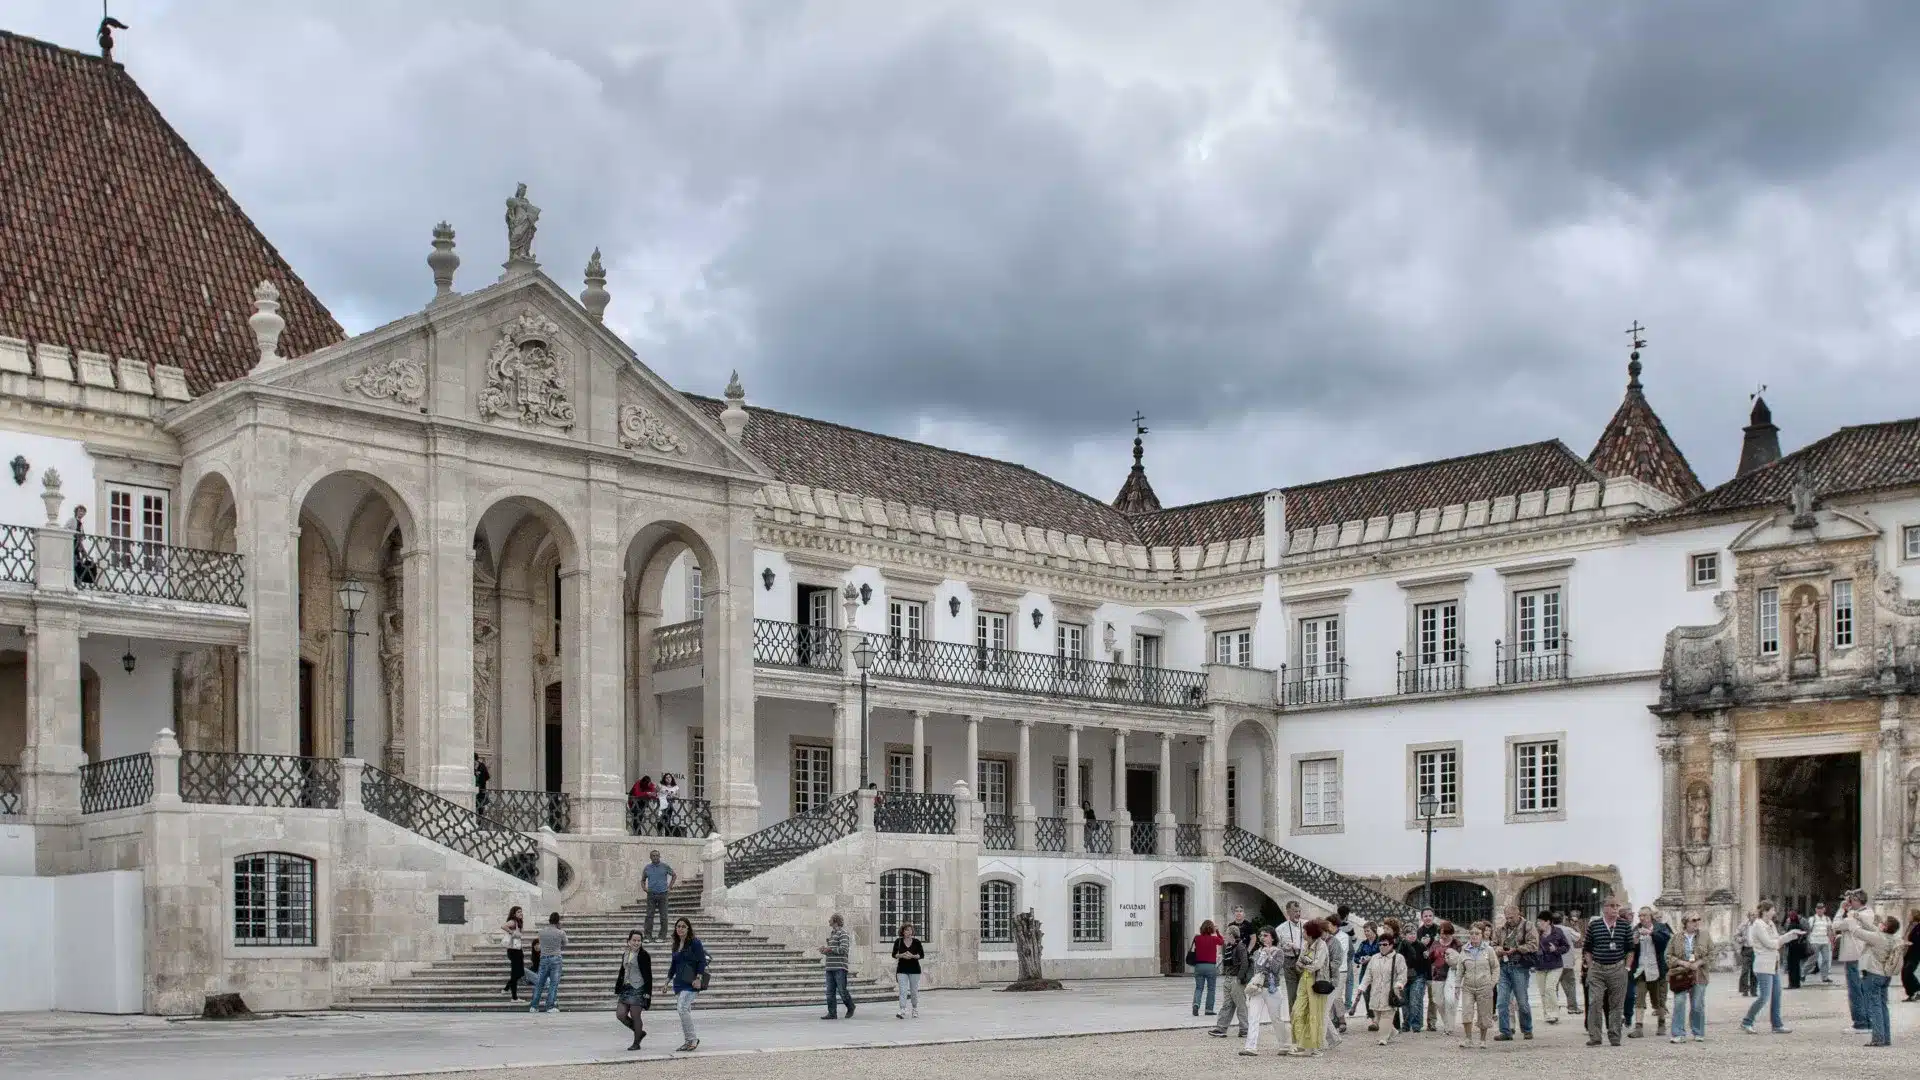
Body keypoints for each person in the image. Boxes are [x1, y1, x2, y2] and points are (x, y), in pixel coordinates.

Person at [1839, 912, 1904, 1047]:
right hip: (1885, 976)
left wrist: (1850, 920)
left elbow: (1857, 932)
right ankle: (1885, 1037)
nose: (1879, 923)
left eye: (1883, 922)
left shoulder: (1877, 938)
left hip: (1873, 975)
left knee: (1874, 1007)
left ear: (1885, 927)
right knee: (1882, 1006)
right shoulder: (1892, 938)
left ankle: (1878, 1038)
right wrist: (1860, 917)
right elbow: (1872, 928)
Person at [1740, 900, 1801, 1035]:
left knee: (1776, 995)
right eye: (1772, 910)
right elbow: (1770, 944)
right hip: (1763, 965)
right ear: (1765, 911)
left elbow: (1777, 939)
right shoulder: (1758, 925)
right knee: (1764, 997)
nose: (1774, 912)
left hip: (1773, 964)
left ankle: (1777, 1024)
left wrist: (1790, 935)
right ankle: (1747, 1021)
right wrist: (1784, 939)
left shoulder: (1771, 923)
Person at [1583, 896, 1635, 1046]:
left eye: (1617, 906)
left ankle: (1614, 1037)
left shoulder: (1624, 926)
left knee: (1617, 1004)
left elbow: (1630, 949)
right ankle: (1595, 1036)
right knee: (1594, 1002)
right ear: (1604, 908)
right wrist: (1591, 967)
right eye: (1612, 906)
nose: (1615, 908)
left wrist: (1626, 968)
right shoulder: (1595, 925)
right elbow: (1587, 949)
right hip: (1598, 968)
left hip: (1618, 968)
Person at [1239, 927, 1290, 1057]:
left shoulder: (1278, 952)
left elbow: (1276, 969)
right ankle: (1250, 1047)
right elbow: (1256, 969)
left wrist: (1269, 955)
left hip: (1272, 988)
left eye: (1266, 935)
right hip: (1258, 987)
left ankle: (1284, 1045)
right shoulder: (1257, 952)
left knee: (1276, 1017)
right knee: (1253, 1017)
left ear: (1272, 937)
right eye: (1261, 935)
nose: (1262, 937)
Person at [1355, 925, 1408, 1045]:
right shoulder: (1374, 958)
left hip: (1390, 992)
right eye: (1380, 944)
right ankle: (1393, 1032)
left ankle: (1383, 1038)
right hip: (1375, 992)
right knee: (1378, 1017)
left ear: (1391, 945)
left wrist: (1399, 984)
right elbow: (1368, 975)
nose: (1382, 947)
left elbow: (1402, 974)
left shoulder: (1398, 958)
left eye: (1385, 944)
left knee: (1387, 1016)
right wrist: (1361, 987)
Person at [1450, 920, 1499, 1049]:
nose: (1474, 936)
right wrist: (1457, 986)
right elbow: (1460, 970)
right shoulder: (1465, 950)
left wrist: (1492, 983)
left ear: (1482, 934)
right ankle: (1468, 1039)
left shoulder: (1489, 950)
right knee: (1466, 1012)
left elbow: (1495, 968)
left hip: (1484, 986)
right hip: (1468, 987)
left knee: (1484, 1014)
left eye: (1477, 933)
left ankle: (1483, 1040)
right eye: (1471, 933)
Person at [1492, 903, 1537, 1041]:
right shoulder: (1501, 928)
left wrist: (1516, 949)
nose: (1509, 920)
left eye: (1511, 917)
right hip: (1504, 967)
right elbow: (1493, 944)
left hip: (1520, 967)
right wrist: (1498, 949)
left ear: (1518, 915)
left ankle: (1527, 1029)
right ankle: (1505, 1031)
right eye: (1507, 917)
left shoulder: (1528, 926)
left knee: (1522, 1001)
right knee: (1502, 1001)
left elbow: (1533, 945)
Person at [1624, 906, 1670, 1038]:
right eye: (1640, 915)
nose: (1641, 918)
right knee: (1639, 998)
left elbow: (1664, 942)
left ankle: (1661, 1024)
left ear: (1651, 916)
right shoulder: (1635, 929)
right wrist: (1634, 943)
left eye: (1644, 915)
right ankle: (1638, 1027)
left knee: (1658, 1000)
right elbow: (1629, 947)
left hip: (1656, 969)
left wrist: (1651, 934)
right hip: (1641, 970)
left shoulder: (1660, 927)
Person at [1665, 912, 1711, 1043]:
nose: (1696, 922)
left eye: (1698, 919)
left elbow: (1712, 953)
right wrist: (1682, 963)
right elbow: (1668, 956)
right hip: (1681, 975)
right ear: (1685, 923)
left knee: (1697, 1004)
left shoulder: (1705, 936)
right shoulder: (1675, 938)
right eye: (1693, 920)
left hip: (1699, 974)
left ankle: (1698, 1031)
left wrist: (1699, 963)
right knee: (1679, 1002)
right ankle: (1678, 1033)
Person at [1288, 919, 1331, 1057]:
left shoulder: (1322, 945)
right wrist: (1305, 964)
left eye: (1305, 931)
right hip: (1304, 981)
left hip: (1316, 982)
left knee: (1315, 1015)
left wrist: (1304, 963)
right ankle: (1301, 1044)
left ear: (1310, 933)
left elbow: (1317, 965)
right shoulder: (1306, 945)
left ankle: (1315, 1047)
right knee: (1297, 1011)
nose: (1303, 933)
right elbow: (1298, 964)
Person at [1836, 889, 1875, 1034]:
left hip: (1853, 956)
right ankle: (1868, 1020)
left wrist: (1841, 910)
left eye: (1851, 900)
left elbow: (1835, 925)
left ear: (1857, 901)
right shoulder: (1869, 913)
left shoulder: (1853, 916)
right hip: (1865, 955)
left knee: (1855, 990)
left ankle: (1860, 1022)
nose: (1849, 903)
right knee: (1865, 989)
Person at [669, 917, 709, 1052]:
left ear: (688, 929)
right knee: (685, 1010)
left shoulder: (695, 943)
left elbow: (702, 961)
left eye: (683, 926)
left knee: (682, 1008)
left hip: (691, 982)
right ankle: (688, 1041)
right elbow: (673, 965)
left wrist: (698, 977)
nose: (680, 929)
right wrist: (667, 981)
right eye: (678, 926)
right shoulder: (675, 944)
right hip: (680, 982)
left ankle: (692, 1039)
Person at [1209, 922, 1253, 1039]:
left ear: (1232, 935)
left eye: (1227, 934)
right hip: (1228, 978)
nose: (1225, 936)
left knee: (1240, 1004)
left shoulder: (1240, 946)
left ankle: (1244, 1029)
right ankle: (1221, 1028)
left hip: (1236, 979)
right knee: (1227, 1004)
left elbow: (1245, 963)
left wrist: (1239, 978)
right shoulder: (1228, 947)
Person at [613, 930, 653, 1051]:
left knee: (635, 1015)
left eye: (639, 941)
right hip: (626, 987)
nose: (636, 943)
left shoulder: (644, 955)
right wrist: (618, 987)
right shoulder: (625, 953)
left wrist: (647, 993)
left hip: (639, 988)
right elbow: (622, 971)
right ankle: (639, 1032)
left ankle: (636, 1042)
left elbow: (648, 975)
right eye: (634, 940)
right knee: (620, 1014)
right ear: (629, 941)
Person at [1405, 908, 1437, 1033]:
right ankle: (1417, 1022)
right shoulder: (1418, 931)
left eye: (1430, 915)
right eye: (1425, 915)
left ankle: (1432, 1022)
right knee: (1417, 997)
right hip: (1422, 967)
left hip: (1434, 966)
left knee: (1433, 997)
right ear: (1422, 917)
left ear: (1433, 916)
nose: (1428, 917)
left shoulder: (1438, 930)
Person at [1534, 912, 1569, 1024]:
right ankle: (1547, 1014)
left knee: (1550, 988)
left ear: (1548, 921)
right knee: (1543, 992)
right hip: (1540, 965)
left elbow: (1566, 946)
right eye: (1538, 921)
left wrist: (1556, 949)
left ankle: (1554, 1014)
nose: (1538, 923)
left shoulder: (1557, 932)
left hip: (1555, 965)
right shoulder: (1536, 933)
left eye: (1541, 921)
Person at [529, 911, 567, 1013]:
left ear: (549, 920)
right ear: (558, 921)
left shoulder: (541, 932)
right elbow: (565, 943)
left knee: (539, 983)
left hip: (544, 958)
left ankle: (534, 1006)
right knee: (553, 984)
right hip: (556, 958)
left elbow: (541, 944)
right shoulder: (561, 932)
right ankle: (550, 1006)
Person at [819, 913, 855, 1019]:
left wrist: (830, 949)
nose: (828, 921)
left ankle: (851, 1006)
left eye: (830, 919)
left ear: (835, 921)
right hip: (829, 966)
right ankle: (832, 1013)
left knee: (842, 990)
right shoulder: (832, 934)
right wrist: (824, 950)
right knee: (830, 992)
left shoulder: (843, 933)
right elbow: (833, 950)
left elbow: (844, 949)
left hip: (840, 967)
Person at [1427, 920, 1458, 1036]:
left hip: (1452, 976)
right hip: (1437, 975)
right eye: (1441, 933)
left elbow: (1460, 959)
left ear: (1451, 933)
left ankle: (1449, 1026)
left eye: (1446, 933)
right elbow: (1430, 958)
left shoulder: (1456, 944)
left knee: (1450, 1001)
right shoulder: (1435, 943)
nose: (1443, 936)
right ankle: (1447, 1023)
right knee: (1438, 1001)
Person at [1190, 919, 1225, 1017]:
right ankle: (1209, 1009)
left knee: (1198, 988)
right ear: (1212, 929)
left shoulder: (1197, 938)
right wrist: (1217, 931)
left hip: (1199, 966)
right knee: (1211, 988)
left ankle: (1196, 1004)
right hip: (1210, 966)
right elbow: (1222, 941)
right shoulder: (1214, 939)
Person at [892, 921, 926, 1018]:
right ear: (903, 932)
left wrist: (913, 956)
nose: (909, 932)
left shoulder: (917, 942)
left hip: (914, 969)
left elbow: (921, 955)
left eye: (910, 930)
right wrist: (901, 955)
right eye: (907, 930)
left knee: (914, 991)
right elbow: (894, 954)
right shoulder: (898, 941)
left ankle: (914, 1009)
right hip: (902, 969)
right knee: (903, 990)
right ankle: (902, 1009)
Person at [641, 850, 677, 942]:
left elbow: (674, 875)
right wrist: (644, 888)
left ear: (659, 856)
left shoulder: (665, 866)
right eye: (653, 856)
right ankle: (647, 936)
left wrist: (670, 887)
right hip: (651, 894)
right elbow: (643, 880)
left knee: (663, 916)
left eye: (657, 855)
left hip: (663, 894)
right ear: (650, 857)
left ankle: (662, 936)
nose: (655, 857)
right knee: (649, 916)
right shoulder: (647, 868)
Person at [1327, 915, 1352, 1037]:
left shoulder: (1343, 937)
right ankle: (1332, 1020)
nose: (1327, 927)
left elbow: (1340, 953)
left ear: (1335, 925)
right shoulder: (1327, 937)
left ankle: (1342, 1019)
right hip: (1328, 970)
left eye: (1329, 924)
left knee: (1337, 996)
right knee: (1329, 996)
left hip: (1340, 970)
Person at [1559, 910, 1584, 1015]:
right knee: (1570, 984)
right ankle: (1572, 1007)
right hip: (1566, 962)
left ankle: (1553, 1010)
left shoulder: (1548, 929)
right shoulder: (1568, 930)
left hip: (1552, 963)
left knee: (1552, 987)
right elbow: (1579, 937)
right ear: (1563, 919)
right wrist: (1576, 925)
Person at [502, 906, 527, 1000]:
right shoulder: (513, 921)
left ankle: (506, 988)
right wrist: (512, 933)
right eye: (518, 912)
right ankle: (514, 997)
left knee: (519, 973)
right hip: (513, 950)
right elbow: (503, 926)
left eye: (521, 911)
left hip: (517, 949)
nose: (521, 913)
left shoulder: (518, 922)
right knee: (515, 973)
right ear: (514, 914)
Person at [1781, 909, 1808, 990]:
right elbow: (1804, 934)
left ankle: (1792, 984)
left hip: (1791, 949)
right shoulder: (1799, 925)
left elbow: (1788, 937)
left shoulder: (1791, 926)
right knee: (1797, 966)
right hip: (1798, 948)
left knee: (1791, 967)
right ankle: (1797, 983)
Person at [1807, 902, 1834, 984]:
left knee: (1826, 959)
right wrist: (1808, 941)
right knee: (1813, 959)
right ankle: (1803, 973)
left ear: (1824, 910)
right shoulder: (1812, 919)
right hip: (1814, 941)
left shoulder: (1827, 919)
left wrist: (1831, 942)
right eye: (1818, 909)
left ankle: (1825, 977)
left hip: (1825, 942)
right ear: (1816, 910)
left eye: (1821, 909)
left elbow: (1829, 931)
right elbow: (1809, 930)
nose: (1820, 910)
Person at [1735, 910, 1757, 996]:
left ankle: (1754, 990)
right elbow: (1736, 936)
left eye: (1755, 916)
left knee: (1754, 971)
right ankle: (1744, 989)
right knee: (1745, 971)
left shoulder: (1759, 926)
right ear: (1748, 916)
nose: (1754, 917)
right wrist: (1741, 939)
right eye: (1752, 915)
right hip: (1746, 949)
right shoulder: (1743, 925)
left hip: (1755, 950)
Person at [1903, 909, 1920, 1002]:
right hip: (1906, 953)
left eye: (1910, 914)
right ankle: (1911, 994)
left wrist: (1911, 943)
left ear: (1914, 916)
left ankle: (1917, 989)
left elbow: (1917, 940)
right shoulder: (1909, 926)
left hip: (1914, 954)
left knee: (1907, 972)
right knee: (1904, 974)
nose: (1908, 916)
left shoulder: (1918, 927)